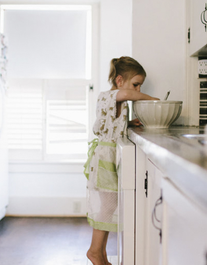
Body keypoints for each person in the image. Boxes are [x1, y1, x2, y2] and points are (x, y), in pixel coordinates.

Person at [84, 56, 159, 265]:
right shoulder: (109, 96)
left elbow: (113, 124)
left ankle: (101, 253)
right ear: (119, 80)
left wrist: (128, 123)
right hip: (105, 158)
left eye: (140, 86)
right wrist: (152, 99)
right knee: (106, 207)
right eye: (136, 84)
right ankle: (95, 252)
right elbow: (126, 94)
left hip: (110, 157)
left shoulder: (119, 101)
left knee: (109, 207)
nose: (137, 90)